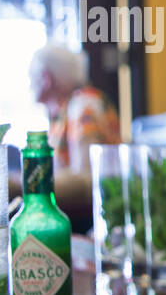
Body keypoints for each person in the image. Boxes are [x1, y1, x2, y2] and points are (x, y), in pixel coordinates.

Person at [22, 45, 120, 231]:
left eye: (30, 77)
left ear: (46, 79)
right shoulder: (66, 109)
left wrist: (24, 185)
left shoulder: (84, 106)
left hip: (96, 222)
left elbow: (86, 180)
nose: (29, 84)